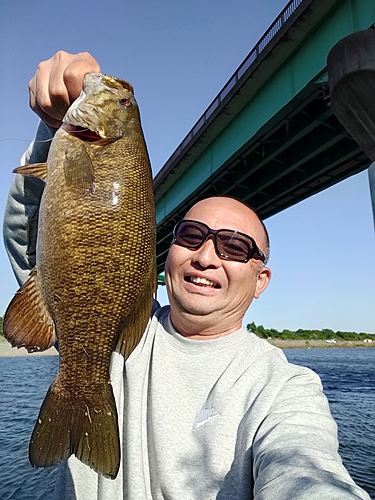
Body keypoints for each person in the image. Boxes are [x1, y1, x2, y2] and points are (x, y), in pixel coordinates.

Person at [3, 51, 371, 500]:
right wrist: (53, 125)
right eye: (191, 234)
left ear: (262, 280)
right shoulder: (122, 341)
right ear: (167, 256)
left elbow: (307, 471)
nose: (207, 255)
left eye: (235, 246)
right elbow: (28, 236)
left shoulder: (283, 389)